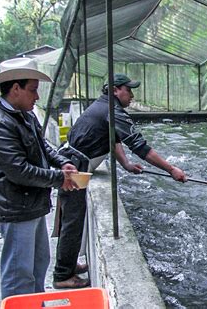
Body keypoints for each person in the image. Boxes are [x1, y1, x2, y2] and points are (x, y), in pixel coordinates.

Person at [53, 73, 187, 289]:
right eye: (129, 89)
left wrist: (125, 164)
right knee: (72, 221)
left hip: (75, 162)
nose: (132, 95)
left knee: (73, 219)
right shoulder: (112, 111)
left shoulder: (104, 107)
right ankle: (62, 276)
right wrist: (171, 169)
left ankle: (67, 266)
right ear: (115, 90)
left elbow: (113, 139)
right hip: (75, 167)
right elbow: (140, 146)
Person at [0, 57, 78, 299]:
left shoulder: (25, 115)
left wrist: (61, 162)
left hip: (31, 205)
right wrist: (59, 178)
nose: (37, 97)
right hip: (15, 208)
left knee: (38, 263)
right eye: (33, 90)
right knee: (19, 273)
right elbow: (19, 171)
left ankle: (35, 302)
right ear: (16, 89)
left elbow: (43, 146)